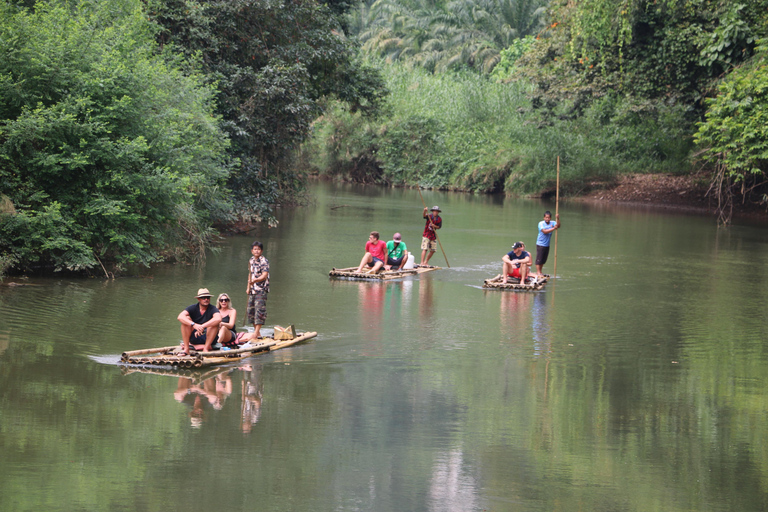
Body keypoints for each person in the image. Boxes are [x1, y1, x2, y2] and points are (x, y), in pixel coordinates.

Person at [178, 288, 222, 354]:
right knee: (186, 320)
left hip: (209, 337)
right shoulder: (192, 307)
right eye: (203, 298)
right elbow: (180, 317)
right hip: (195, 336)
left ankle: (206, 348)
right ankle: (186, 349)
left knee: (214, 323)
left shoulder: (213, 309)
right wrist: (194, 325)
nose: (206, 299)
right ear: (199, 299)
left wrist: (202, 326)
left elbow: (218, 318)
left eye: (208, 297)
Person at [247, 241, 269, 339]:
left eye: (258, 249)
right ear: (252, 251)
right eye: (255, 249)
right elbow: (250, 274)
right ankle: (258, 333)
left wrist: (255, 280)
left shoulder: (264, 261)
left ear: (261, 251)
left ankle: (255, 334)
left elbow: (265, 275)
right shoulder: (251, 260)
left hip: (261, 289)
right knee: (250, 311)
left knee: (259, 311)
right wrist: (248, 287)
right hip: (252, 289)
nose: (257, 251)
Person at [535, 211, 561, 277]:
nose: (547, 219)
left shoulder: (553, 222)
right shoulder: (541, 223)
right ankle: (538, 272)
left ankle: (540, 271)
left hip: (547, 244)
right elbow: (544, 231)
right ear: (544, 218)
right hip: (540, 243)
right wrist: (553, 228)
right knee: (539, 258)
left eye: (548, 218)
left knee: (544, 259)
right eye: (546, 217)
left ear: (550, 218)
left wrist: (558, 219)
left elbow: (558, 226)